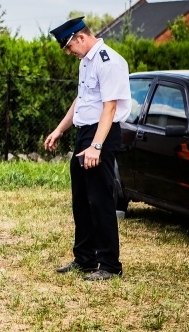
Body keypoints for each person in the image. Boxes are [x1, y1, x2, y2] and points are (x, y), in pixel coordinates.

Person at [44, 16, 131, 281]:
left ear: (80, 37)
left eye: (69, 47)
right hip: (86, 133)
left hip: (101, 135)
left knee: (100, 199)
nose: (69, 53)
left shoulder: (109, 61)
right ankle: (85, 259)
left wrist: (96, 146)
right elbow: (81, 100)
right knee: (81, 199)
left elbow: (110, 107)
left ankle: (109, 265)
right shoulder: (86, 61)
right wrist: (60, 129)